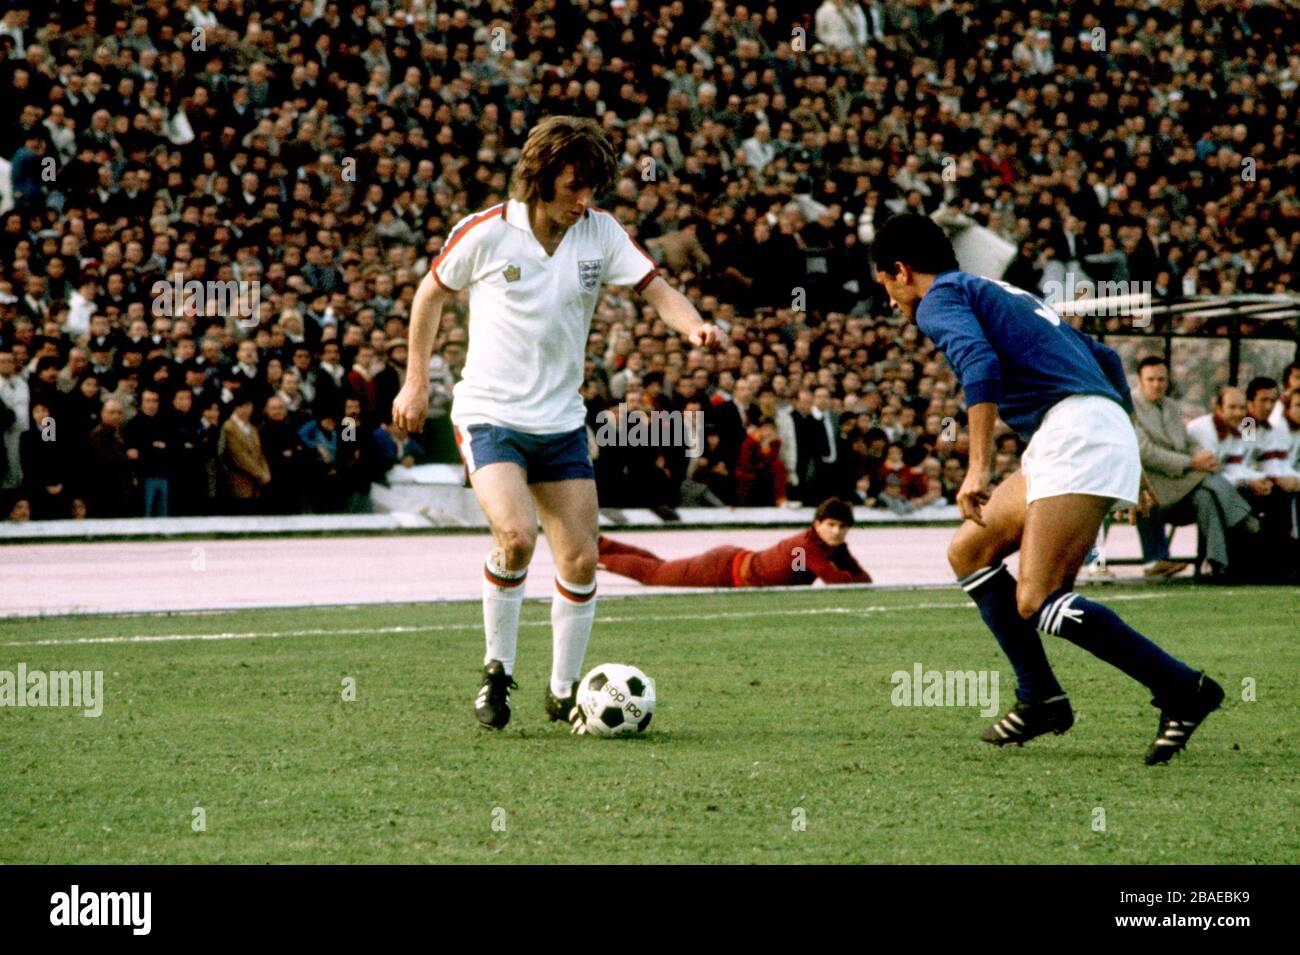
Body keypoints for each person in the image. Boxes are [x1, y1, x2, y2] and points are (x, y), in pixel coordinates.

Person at [391, 116, 724, 732]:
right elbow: (428, 295)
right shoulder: (487, 233)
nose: (584, 201)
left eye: (592, 188)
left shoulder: (600, 232)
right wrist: (415, 379)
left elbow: (657, 290)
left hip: (562, 421)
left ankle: (566, 689)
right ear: (539, 178)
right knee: (516, 537)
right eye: (573, 187)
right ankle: (496, 672)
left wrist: (694, 325)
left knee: (580, 561)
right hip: (491, 414)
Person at [872, 213, 1223, 765]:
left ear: (900, 269)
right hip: (1080, 430)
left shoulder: (938, 299)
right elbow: (1105, 358)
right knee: (968, 550)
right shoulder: (997, 289)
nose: (892, 303)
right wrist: (1130, 453)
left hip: (1075, 434)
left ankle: (1182, 689)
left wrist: (977, 469)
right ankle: (1041, 697)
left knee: (1036, 599)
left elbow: (980, 365)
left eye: (887, 287)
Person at [1131, 356, 1256, 580]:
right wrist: (1194, 462)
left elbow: (1189, 443)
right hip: (1158, 486)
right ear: (1140, 381)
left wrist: (1202, 456)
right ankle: (1245, 519)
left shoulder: (1172, 406)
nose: (1157, 384)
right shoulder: (1131, 407)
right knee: (1209, 480)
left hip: (1192, 484)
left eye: (1162, 379)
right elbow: (1145, 451)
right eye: (1151, 379)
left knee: (1206, 497)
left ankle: (1218, 563)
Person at [599, 498, 871, 587]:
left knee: (660, 567)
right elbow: (835, 580)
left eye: (842, 527)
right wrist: (854, 577)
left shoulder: (830, 546)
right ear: (817, 524)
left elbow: (863, 578)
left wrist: (856, 576)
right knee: (655, 574)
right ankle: (600, 558)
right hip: (723, 569)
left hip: (732, 562)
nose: (836, 532)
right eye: (831, 525)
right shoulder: (807, 546)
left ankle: (604, 544)